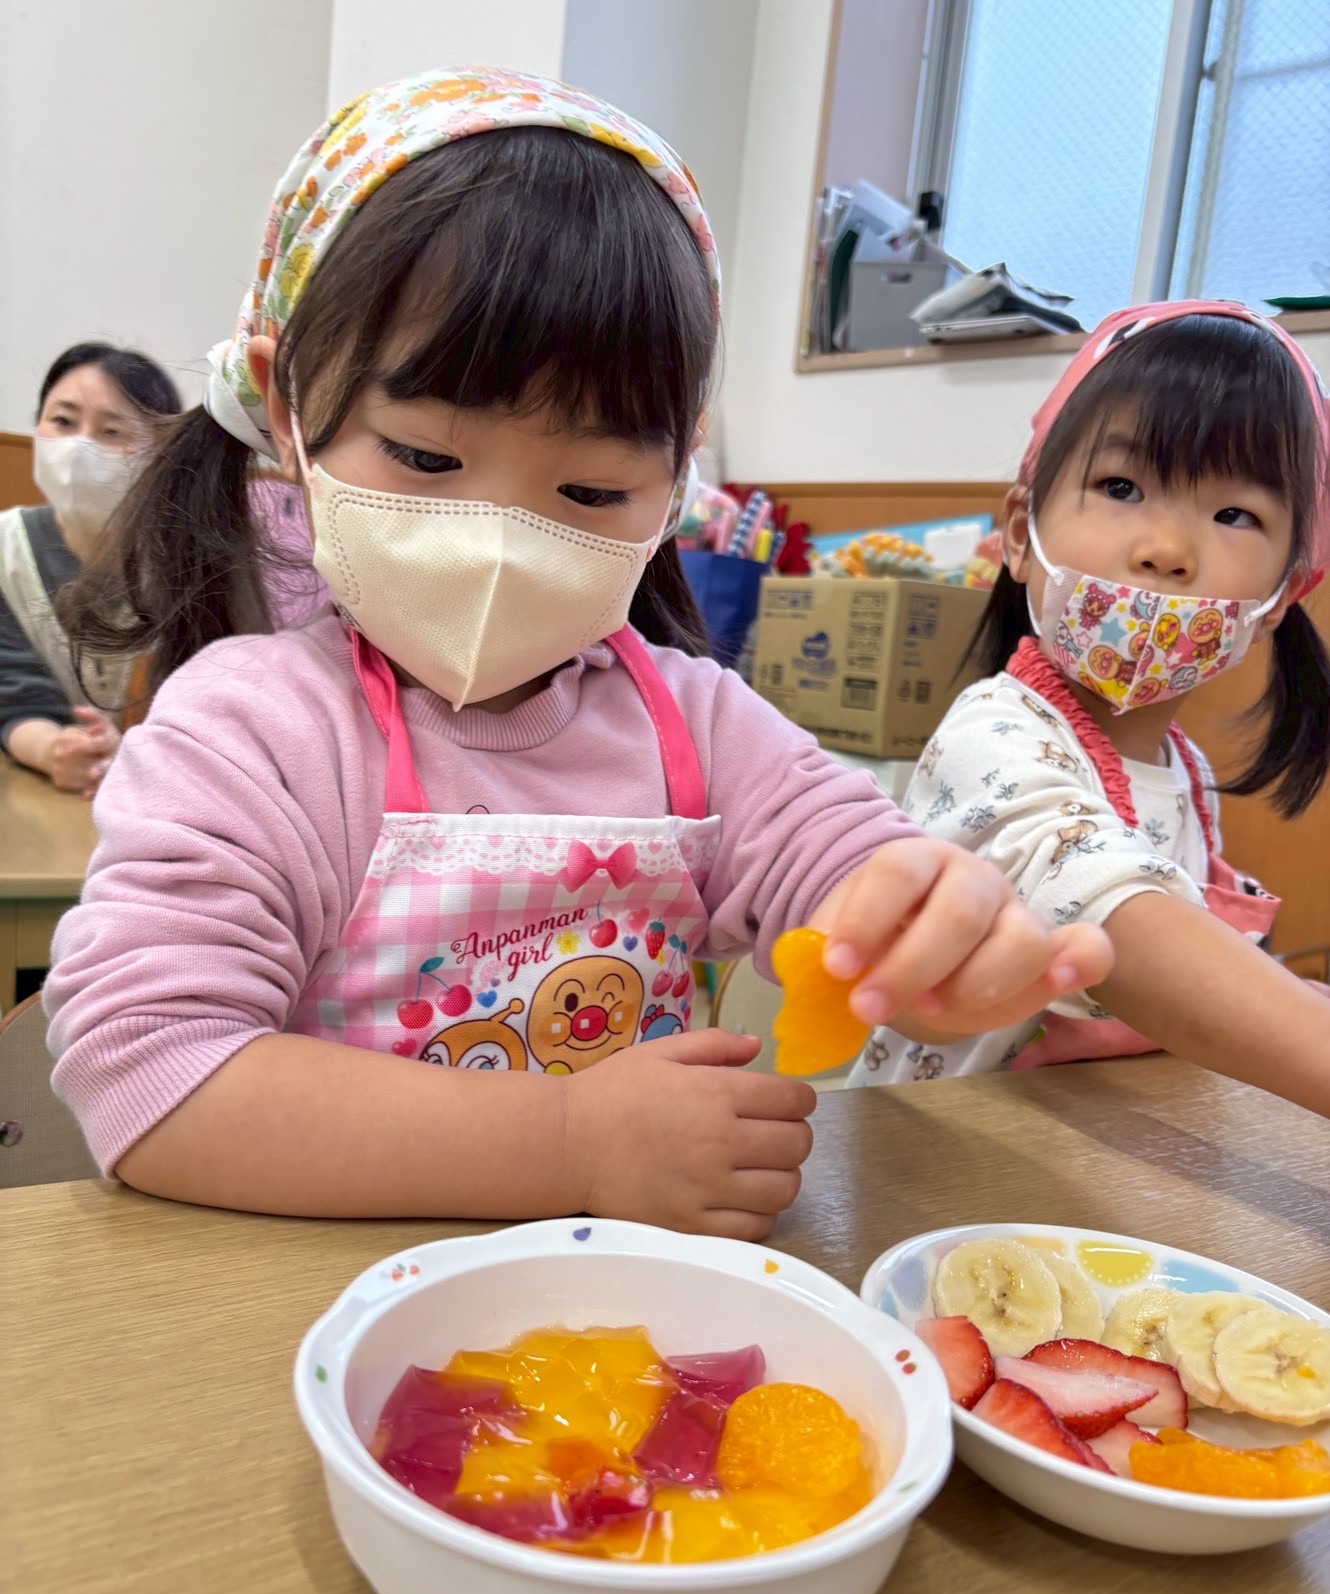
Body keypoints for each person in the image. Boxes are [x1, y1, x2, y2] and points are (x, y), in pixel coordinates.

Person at [44, 68, 1108, 1233]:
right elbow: (152, 1077)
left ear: (677, 475)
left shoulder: (697, 725)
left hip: (618, 1318)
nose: (498, 539)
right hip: (315, 1313)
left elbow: (843, 860)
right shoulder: (250, 731)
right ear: (285, 407)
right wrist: (568, 1145)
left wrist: (925, 931)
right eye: (426, 460)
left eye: (591, 490)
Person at [850, 301, 1330, 1121]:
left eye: (1234, 514)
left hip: (1084, 1145)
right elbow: (1116, 920)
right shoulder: (992, 734)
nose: (1166, 550)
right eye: (1121, 487)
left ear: (1281, 597)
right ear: (1019, 533)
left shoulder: (1186, 770)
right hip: (935, 1153)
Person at [0, 343, 180, 793]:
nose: (79, 446)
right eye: (63, 422)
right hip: (48, 792)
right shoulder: (6, 549)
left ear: (159, 453)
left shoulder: (191, 563)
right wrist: (55, 749)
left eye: (112, 431)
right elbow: (12, 691)